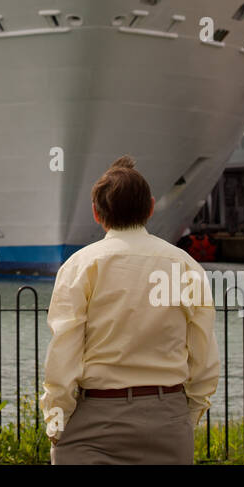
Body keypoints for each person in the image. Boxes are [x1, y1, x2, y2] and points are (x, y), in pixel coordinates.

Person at [41, 156, 220, 464]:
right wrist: (186, 416)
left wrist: (55, 419)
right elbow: (204, 356)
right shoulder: (184, 266)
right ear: (150, 208)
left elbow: (63, 356)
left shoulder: (80, 267)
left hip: (93, 418)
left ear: (97, 213)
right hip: (166, 417)